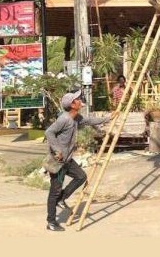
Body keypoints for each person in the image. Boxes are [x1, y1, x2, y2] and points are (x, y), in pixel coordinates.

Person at [44, 89, 115, 232]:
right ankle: (51, 222)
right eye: (78, 100)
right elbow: (49, 132)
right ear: (72, 104)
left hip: (68, 159)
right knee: (54, 191)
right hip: (58, 161)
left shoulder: (76, 118)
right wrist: (57, 150)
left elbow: (89, 120)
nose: (80, 101)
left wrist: (108, 118)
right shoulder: (64, 119)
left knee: (81, 176)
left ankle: (61, 199)